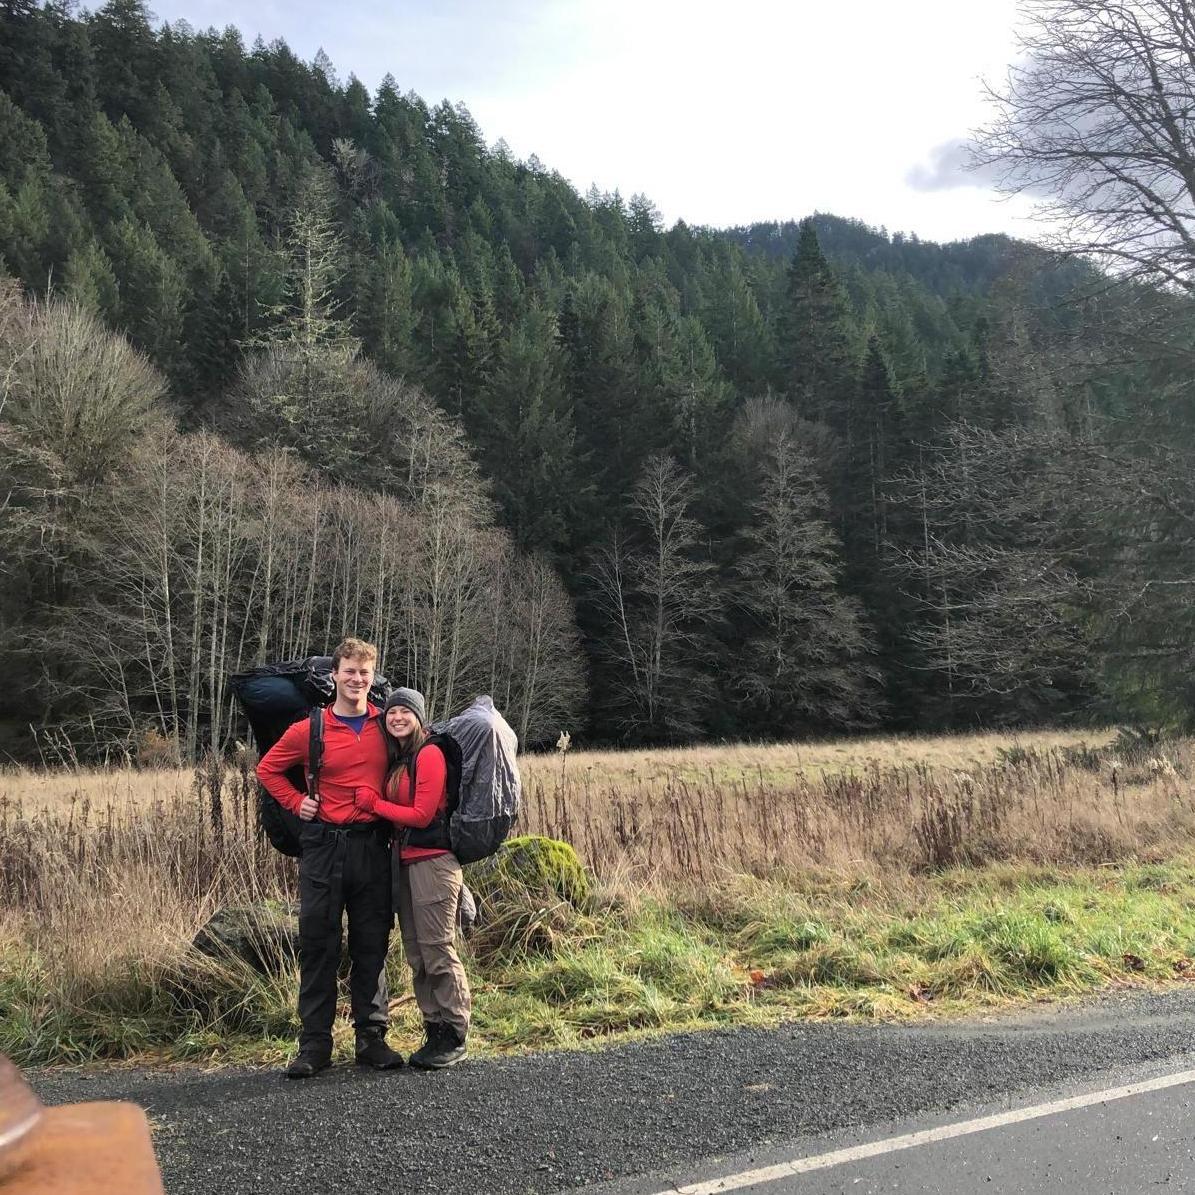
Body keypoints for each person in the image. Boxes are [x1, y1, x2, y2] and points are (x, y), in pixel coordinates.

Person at [256, 637, 404, 1078]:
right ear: (334, 675)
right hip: (323, 846)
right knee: (319, 944)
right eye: (349, 671)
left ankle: (371, 1039)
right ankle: (315, 1045)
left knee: (371, 941)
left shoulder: (386, 726)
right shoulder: (311, 728)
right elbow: (267, 769)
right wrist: (294, 800)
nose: (357, 679)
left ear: (372, 678)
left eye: (365, 672)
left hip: (373, 845)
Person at [353, 687, 471, 1069]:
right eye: (392, 712)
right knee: (417, 954)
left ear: (419, 717)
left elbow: (421, 814)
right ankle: (433, 1027)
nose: (397, 717)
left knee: (438, 949)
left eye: (406, 711)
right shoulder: (402, 758)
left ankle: (454, 1031)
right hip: (405, 864)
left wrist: (374, 805)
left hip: (434, 864)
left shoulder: (430, 754)